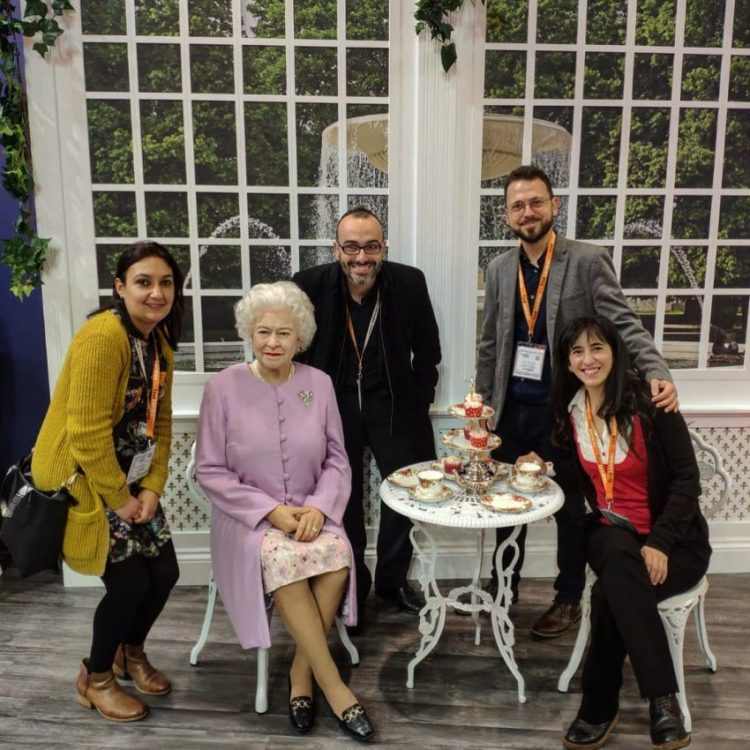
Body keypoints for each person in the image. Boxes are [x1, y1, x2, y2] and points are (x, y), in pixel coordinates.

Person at [476, 165, 678, 638]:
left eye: (536, 202)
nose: (528, 212)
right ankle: (503, 588)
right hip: (511, 412)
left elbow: (622, 324)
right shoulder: (500, 269)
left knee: (571, 510)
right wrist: (483, 407)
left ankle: (567, 598)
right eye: (517, 205)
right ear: (506, 215)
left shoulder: (586, 260)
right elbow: (490, 345)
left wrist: (657, 370)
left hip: (565, 413)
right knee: (508, 506)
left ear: (553, 205)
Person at [195, 281, 374, 742]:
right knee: (285, 562)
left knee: (337, 558)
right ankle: (333, 687)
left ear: (301, 338)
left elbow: (338, 459)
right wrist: (270, 511)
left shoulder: (319, 384)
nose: (272, 342)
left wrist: (318, 507)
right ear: (249, 334)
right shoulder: (222, 388)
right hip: (249, 522)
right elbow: (210, 469)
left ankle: (300, 672)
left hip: (313, 513)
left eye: (283, 333)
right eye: (263, 332)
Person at [32, 241, 183, 722]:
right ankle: (95, 679)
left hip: (131, 481)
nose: (156, 293)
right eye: (144, 282)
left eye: (165, 283)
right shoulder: (103, 336)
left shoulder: (158, 343)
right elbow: (86, 432)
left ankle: (128, 653)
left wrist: (152, 487)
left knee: (165, 572)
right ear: (120, 287)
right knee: (129, 583)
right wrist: (119, 499)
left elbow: (161, 424)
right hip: (86, 479)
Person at [547, 315, 708, 750]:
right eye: (577, 351)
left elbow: (687, 481)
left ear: (615, 352)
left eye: (597, 347)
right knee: (617, 557)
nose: (588, 359)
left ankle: (599, 705)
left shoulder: (654, 405)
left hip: (675, 542)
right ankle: (663, 701)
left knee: (609, 592)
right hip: (612, 532)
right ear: (568, 362)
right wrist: (538, 464)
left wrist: (660, 542)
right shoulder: (569, 413)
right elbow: (571, 479)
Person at [292, 207, 441, 621]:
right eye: (352, 247)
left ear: (383, 247)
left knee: (405, 495)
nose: (362, 257)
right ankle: (352, 584)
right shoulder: (308, 285)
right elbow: (294, 352)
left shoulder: (410, 282)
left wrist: (418, 402)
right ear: (336, 249)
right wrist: (303, 411)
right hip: (333, 409)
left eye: (371, 247)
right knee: (344, 499)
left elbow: (428, 350)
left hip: (393, 407)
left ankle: (393, 581)